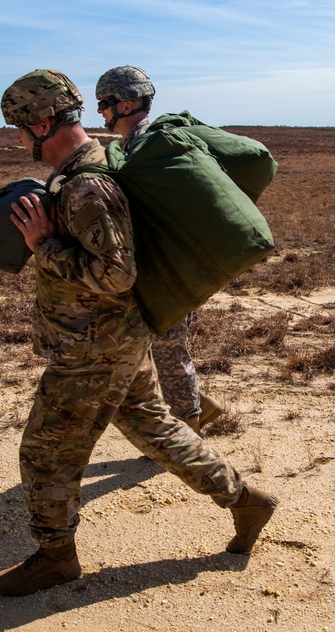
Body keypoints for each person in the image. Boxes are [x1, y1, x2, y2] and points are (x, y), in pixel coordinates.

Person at [0, 68, 277, 597]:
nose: (17, 138)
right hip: (118, 338)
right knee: (156, 429)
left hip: (94, 346)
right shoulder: (97, 163)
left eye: (19, 127)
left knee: (44, 449)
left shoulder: (87, 185)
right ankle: (247, 501)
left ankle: (55, 557)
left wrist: (43, 247)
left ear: (43, 122)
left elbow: (116, 273)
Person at [94, 65, 223, 433]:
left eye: (105, 103)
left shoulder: (151, 146)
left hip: (169, 268)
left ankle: (187, 427)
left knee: (168, 345)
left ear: (128, 103)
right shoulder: (132, 145)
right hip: (157, 265)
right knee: (156, 344)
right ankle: (199, 404)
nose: (100, 111)